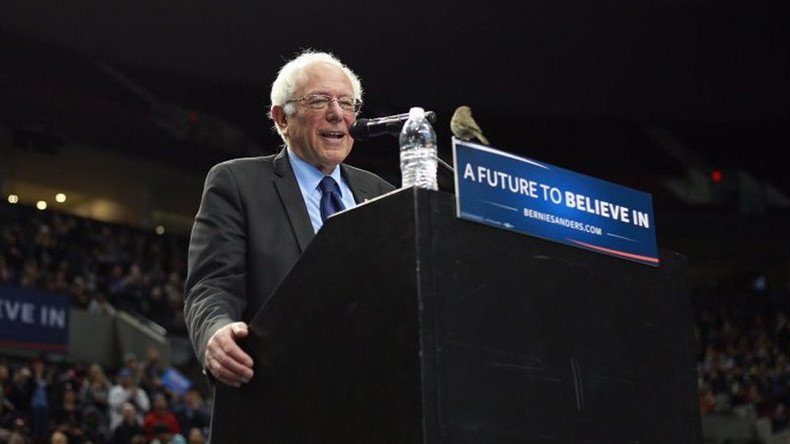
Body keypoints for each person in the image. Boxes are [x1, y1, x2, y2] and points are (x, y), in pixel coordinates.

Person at [183, 49, 396, 433]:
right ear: (281, 117)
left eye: (347, 103)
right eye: (319, 101)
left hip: (370, 410)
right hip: (274, 409)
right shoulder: (237, 183)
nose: (337, 114)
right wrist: (215, 332)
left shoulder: (382, 193)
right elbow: (212, 286)